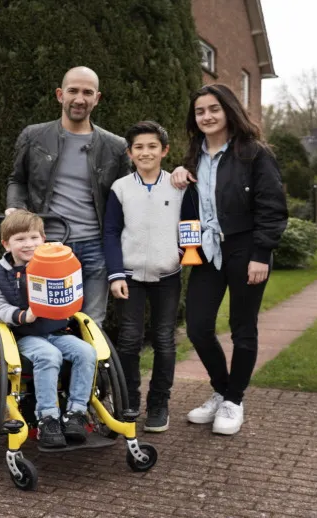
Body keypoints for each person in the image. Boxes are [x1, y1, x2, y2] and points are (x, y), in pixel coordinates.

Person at [170, 84, 288, 436]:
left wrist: (261, 253)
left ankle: (234, 400)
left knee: (243, 328)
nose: (206, 116)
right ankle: (222, 389)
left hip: (245, 249)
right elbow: (191, 201)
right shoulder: (193, 156)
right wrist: (178, 174)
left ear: (229, 111)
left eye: (213, 109)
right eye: (200, 111)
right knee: (198, 326)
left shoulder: (254, 154)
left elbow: (272, 206)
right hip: (206, 252)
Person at [5, 66, 131, 327]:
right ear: (60, 95)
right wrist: (15, 207)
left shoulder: (115, 146)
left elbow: (127, 195)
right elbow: (18, 180)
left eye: (87, 92)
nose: (79, 98)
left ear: (97, 99)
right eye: (73, 91)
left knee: (91, 324)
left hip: (96, 246)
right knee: (50, 322)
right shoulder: (34, 136)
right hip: (48, 245)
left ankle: (89, 369)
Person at [0, 210, 99, 448]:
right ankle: (48, 417)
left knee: (87, 352)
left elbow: (74, 284)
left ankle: (76, 412)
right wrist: (23, 315)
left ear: (43, 239)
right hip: (24, 335)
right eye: (20, 239)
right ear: (6, 244)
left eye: (34, 238)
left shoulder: (54, 263)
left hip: (57, 331)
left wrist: (60, 259)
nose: (29, 244)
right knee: (49, 355)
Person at [103, 121, 184, 433]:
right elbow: (110, 233)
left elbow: (191, 224)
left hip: (168, 276)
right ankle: (129, 401)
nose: (145, 152)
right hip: (130, 276)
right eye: (139, 147)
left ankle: (159, 403)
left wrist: (182, 253)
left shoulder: (178, 185)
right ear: (130, 152)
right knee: (129, 339)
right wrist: (115, 274)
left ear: (164, 150)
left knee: (164, 339)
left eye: (152, 146)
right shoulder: (121, 188)